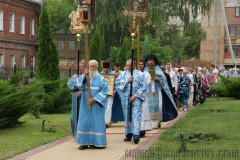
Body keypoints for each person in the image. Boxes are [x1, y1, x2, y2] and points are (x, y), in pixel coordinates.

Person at [75, 60, 108, 150]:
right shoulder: (84, 77)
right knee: (85, 122)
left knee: (96, 123)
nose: (92, 68)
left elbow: (105, 91)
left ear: (97, 67)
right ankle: (84, 142)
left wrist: (94, 99)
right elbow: (78, 86)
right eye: (91, 66)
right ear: (88, 67)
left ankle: (95, 143)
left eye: (94, 66)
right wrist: (84, 75)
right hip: (85, 105)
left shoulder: (101, 79)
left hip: (96, 105)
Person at [116, 59, 147, 144]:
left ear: (134, 65)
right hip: (126, 99)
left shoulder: (140, 74)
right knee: (127, 116)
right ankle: (128, 133)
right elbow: (117, 84)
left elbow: (144, 86)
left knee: (136, 115)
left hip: (136, 98)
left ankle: (136, 134)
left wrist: (135, 96)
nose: (128, 67)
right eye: (127, 65)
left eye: (130, 65)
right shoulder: (123, 74)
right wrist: (127, 81)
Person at [144, 54, 178, 129]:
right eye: (149, 61)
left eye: (152, 61)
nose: (150, 62)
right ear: (147, 62)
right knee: (149, 106)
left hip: (157, 90)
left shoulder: (158, 68)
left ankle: (157, 121)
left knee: (158, 106)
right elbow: (143, 78)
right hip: (148, 90)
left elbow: (163, 78)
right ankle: (151, 122)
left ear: (154, 61)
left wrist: (158, 79)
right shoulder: (145, 69)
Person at [66, 62, 86, 138]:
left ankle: (82, 134)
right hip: (75, 99)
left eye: (80, 67)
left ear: (84, 67)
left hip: (83, 98)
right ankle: (75, 133)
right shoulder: (75, 76)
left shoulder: (87, 76)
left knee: (82, 116)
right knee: (73, 117)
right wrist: (75, 81)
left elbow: (88, 87)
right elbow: (68, 84)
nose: (79, 68)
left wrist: (81, 92)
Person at [139, 60, 152, 137]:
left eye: (142, 64)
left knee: (144, 112)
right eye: (139, 64)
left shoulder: (147, 74)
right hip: (136, 96)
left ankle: (143, 129)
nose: (141, 65)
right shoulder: (135, 73)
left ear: (144, 65)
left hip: (144, 95)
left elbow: (147, 83)